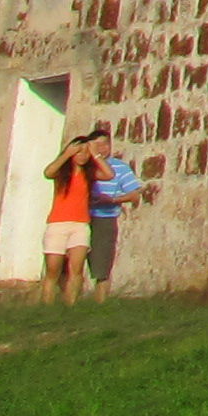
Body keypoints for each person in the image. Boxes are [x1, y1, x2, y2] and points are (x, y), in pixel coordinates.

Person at [42, 127, 102, 300]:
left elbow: (109, 174)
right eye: (79, 152)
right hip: (58, 224)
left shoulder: (89, 174)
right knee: (53, 270)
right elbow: (48, 172)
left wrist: (95, 154)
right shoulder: (62, 173)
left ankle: (71, 304)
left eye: (85, 153)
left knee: (76, 269)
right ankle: (47, 305)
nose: (83, 156)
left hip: (80, 224)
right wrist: (67, 154)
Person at [87, 140, 141, 288]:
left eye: (105, 144)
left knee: (102, 269)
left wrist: (112, 199)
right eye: (97, 145)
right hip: (81, 218)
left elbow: (134, 195)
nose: (102, 149)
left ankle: (100, 306)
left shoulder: (120, 168)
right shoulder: (83, 166)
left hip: (105, 218)